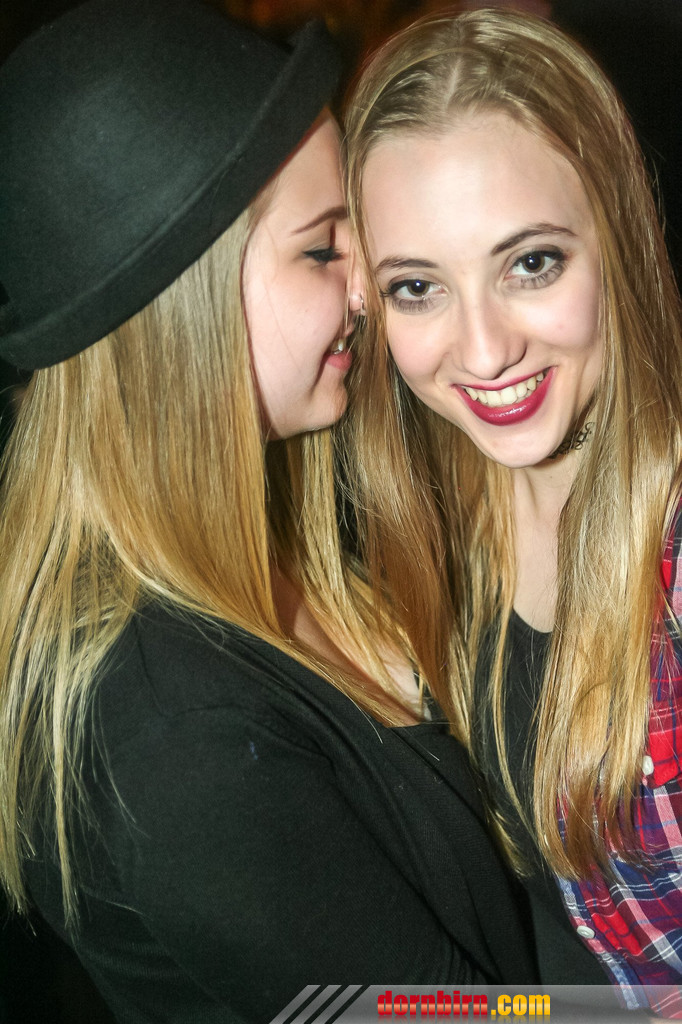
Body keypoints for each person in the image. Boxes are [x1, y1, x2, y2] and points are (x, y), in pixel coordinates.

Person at [0, 1, 541, 1020]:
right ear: (187, 310)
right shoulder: (171, 741)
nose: (368, 288)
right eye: (320, 249)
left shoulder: (294, 505)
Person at [343, 7, 682, 1016]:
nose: (485, 352)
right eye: (418, 287)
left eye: (530, 263)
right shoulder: (442, 514)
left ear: (616, 239)